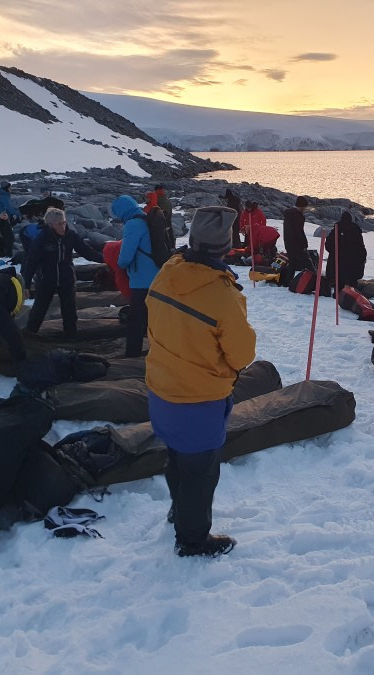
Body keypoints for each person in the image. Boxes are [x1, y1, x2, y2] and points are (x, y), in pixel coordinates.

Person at [145, 205, 256, 558]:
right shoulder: (223, 295)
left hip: (161, 387)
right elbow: (242, 354)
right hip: (198, 397)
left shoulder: (168, 271)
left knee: (176, 457)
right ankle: (192, 539)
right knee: (201, 472)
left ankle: (180, 512)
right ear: (226, 246)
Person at [23, 207, 103, 338]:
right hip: (46, 280)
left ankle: (70, 337)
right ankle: (30, 335)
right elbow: (31, 262)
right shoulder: (42, 238)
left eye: (64, 222)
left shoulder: (70, 236)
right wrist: (26, 284)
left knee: (70, 312)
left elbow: (87, 252)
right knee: (39, 310)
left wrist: (106, 259)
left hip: (67, 278)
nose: (63, 226)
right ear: (50, 225)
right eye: (59, 224)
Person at [111, 195, 160, 358]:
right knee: (152, 318)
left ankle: (132, 357)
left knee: (135, 321)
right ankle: (158, 351)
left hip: (141, 280)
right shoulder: (146, 219)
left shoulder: (133, 224)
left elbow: (125, 258)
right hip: (157, 276)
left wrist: (118, 266)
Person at [325, 211, 367, 291]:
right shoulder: (355, 230)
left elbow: (328, 245)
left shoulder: (336, 229)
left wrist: (333, 253)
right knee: (351, 281)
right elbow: (360, 246)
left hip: (338, 262)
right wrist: (362, 257)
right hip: (352, 262)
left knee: (339, 281)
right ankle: (351, 294)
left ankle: (337, 294)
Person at [282, 196, 310, 284]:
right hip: (297, 244)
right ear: (302, 206)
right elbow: (299, 232)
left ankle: (287, 281)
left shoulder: (288, 214)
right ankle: (314, 282)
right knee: (307, 264)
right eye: (304, 207)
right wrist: (304, 244)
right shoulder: (298, 216)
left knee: (292, 263)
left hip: (288, 242)